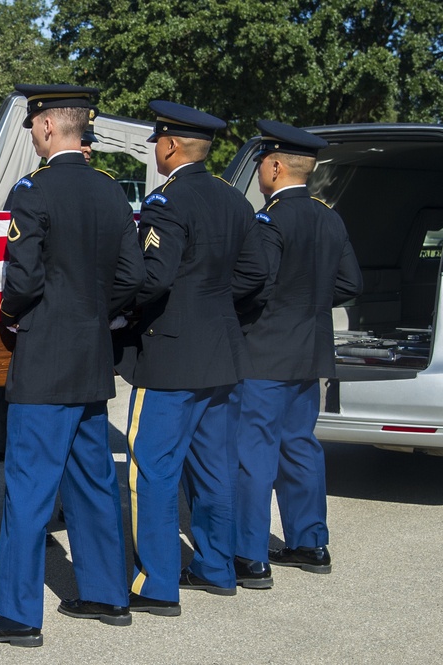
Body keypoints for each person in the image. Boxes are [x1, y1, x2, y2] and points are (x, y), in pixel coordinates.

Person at [0, 84, 145, 647]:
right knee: (91, 481)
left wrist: (14, 317)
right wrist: (94, 314)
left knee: (29, 485)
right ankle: (106, 593)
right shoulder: (112, 193)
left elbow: (22, 281)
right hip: (91, 356)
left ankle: (16, 614)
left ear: (45, 129)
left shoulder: (32, 192)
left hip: (43, 356)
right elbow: (132, 278)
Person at [118, 101, 268, 616]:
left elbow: (153, 278)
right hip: (221, 350)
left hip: (171, 352)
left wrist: (124, 315)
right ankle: (216, 568)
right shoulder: (234, 200)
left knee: (153, 469)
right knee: (215, 468)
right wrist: (214, 306)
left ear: (170, 145)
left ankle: (155, 582)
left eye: (157, 141)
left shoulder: (166, 201)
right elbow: (255, 274)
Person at [233, 120, 363, 588]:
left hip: (265, 353)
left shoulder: (268, 219)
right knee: (301, 446)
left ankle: (249, 555)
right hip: (308, 353)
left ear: (274, 165)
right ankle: (310, 543)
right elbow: (350, 284)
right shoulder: (329, 216)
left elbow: (255, 283)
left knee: (254, 454)